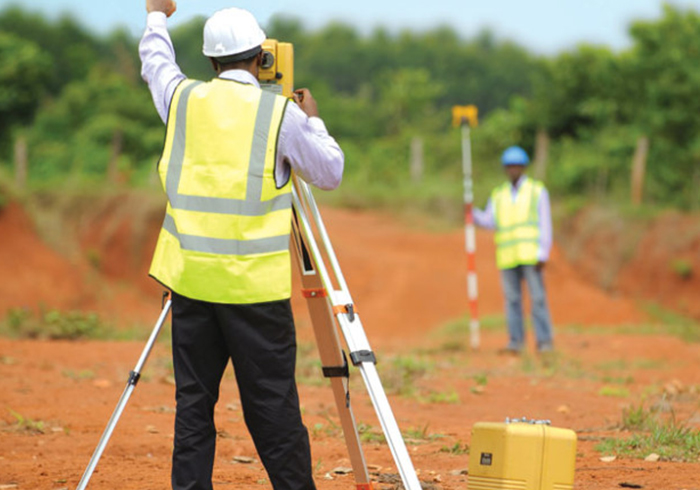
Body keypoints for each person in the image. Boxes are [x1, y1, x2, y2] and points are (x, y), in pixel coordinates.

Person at [139, 1, 344, 489]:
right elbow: (330, 172)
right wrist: (313, 121)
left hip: (191, 287)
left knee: (193, 407)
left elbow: (156, 64)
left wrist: (156, 16)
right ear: (261, 56)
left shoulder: (182, 100)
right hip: (255, 296)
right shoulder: (280, 116)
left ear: (211, 61)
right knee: (272, 409)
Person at [473, 145, 554, 355]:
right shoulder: (499, 195)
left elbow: (545, 223)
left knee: (537, 299)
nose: (513, 169)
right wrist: (471, 213)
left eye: (516, 165)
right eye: (509, 166)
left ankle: (544, 342)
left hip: (531, 255)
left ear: (524, 167)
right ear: (505, 168)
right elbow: (490, 221)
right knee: (512, 302)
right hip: (508, 257)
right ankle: (516, 342)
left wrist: (543, 252)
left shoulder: (537, 191)